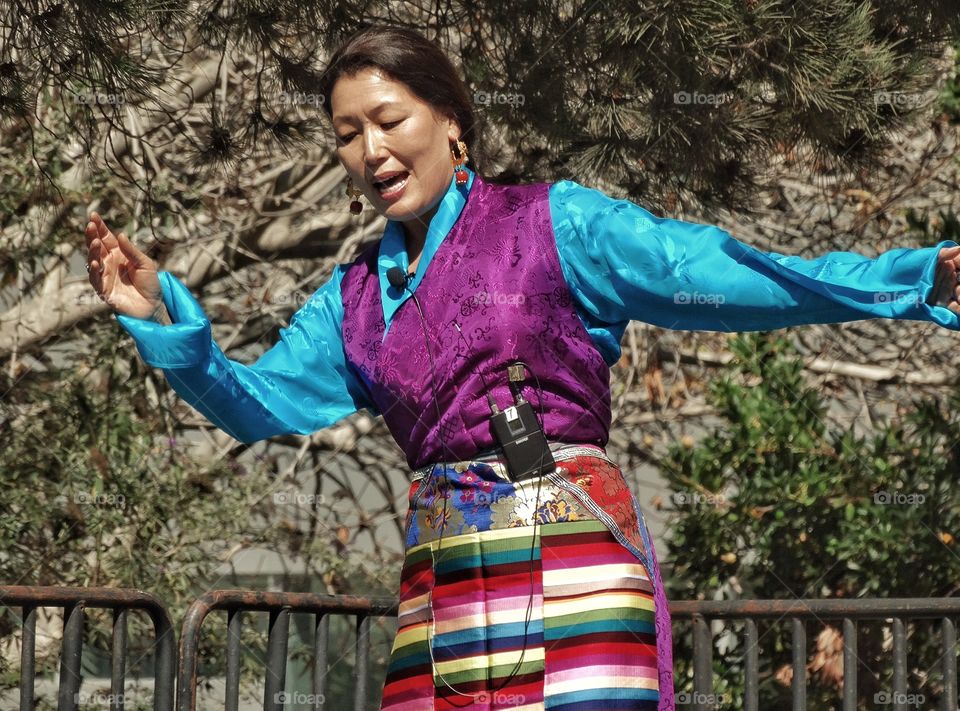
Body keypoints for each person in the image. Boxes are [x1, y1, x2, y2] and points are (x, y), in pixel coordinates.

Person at [83, 24, 960, 711]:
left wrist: (908, 279)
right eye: (348, 135)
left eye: (390, 120)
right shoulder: (349, 300)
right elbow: (254, 403)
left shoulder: (556, 224)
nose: (371, 150)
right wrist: (163, 316)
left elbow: (722, 274)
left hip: (575, 564)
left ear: (451, 119)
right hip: (440, 586)